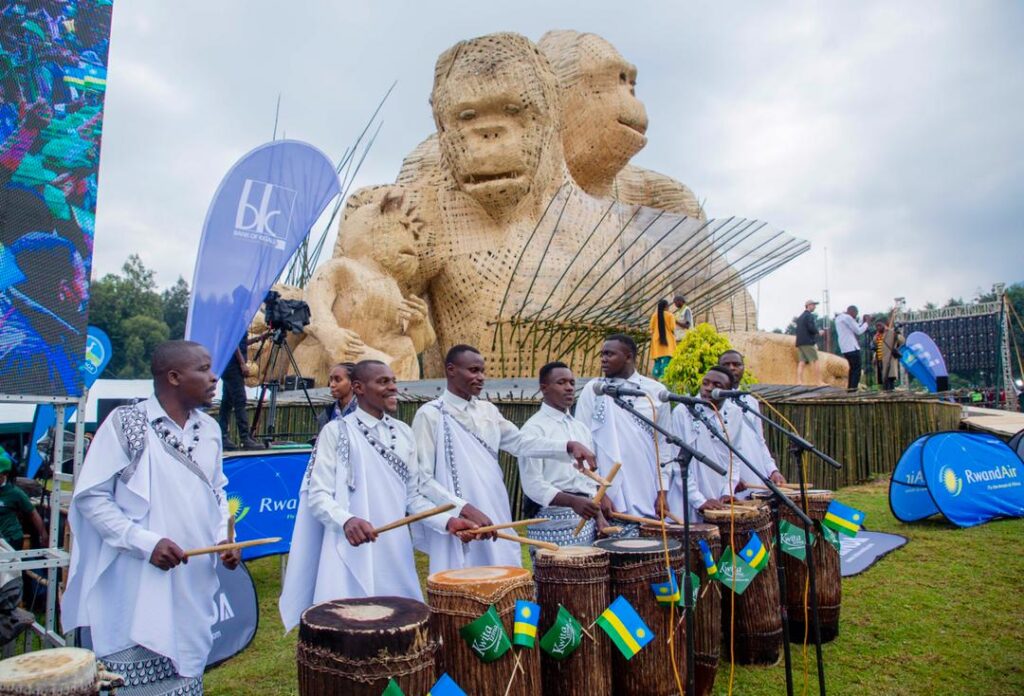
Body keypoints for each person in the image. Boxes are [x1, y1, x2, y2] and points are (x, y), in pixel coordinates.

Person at [62, 340, 240, 694]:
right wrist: (146, 543)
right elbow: (91, 499)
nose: (214, 377)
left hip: (192, 584)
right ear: (173, 377)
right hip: (135, 580)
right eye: (203, 369)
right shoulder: (126, 423)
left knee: (187, 678)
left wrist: (225, 538)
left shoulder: (210, 430)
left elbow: (217, 493)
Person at [279, 360, 477, 631]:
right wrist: (346, 521)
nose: (393, 387)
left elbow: (414, 498)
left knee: (402, 628)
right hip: (348, 549)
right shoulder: (336, 432)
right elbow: (318, 495)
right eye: (383, 381)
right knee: (348, 631)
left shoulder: (404, 433)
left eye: (393, 380)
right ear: (359, 388)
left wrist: (448, 522)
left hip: (394, 550)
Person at [412, 345, 596, 572]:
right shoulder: (430, 414)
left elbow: (520, 443)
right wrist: (463, 508)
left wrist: (567, 446)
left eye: (482, 371)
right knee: (460, 581)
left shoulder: (487, 410)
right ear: (451, 370)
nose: (481, 377)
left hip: (494, 505)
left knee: (502, 573)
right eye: (473, 370)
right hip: (457, 514)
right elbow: (423, 478)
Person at [574, 334, 675, 532]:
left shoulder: (655, 391)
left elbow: (664, 445)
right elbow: (582, 441)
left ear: (628, 357)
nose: (603, 359)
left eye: (609, 354)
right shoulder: (593, 390)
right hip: (608, 489)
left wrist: (662, 492)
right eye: (602, 354)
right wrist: (598, 492)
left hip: (646, 486)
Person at [518, 362, 613, 549]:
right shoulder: (533, 429)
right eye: (561, 382)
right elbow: (533, 485)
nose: (569, 388)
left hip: (585, 518)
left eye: (571, 382)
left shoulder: (580, 428)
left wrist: (599, 516)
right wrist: (572, 501)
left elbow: (587, 479)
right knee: (554, 576)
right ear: (544, 388)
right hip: (549, 520)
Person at [669, 366, 742, 520]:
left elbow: (734, 457)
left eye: (717, 386)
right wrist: (699, 500)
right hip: (686, 499)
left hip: (719, 499)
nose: (708, 389)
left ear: (729, 391)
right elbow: (677, 463)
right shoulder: (683, 411)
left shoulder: (735, 413)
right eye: (705, 383)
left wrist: (728, 491)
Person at [718, 351, 786, 492]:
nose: (732, 368)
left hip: (756, 474)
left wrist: (773, 470)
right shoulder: (713, 403)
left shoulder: (751, 402)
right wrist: (730, 478)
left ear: (743, 368)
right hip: (729, 479)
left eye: (737, 364)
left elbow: (759, 441)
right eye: (726, 364)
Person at [218, 333, 260, 450]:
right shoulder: (237, 320)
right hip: (233, 365)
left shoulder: (236, 322)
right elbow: (232, 343)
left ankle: (222, 435)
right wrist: (242, 363)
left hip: (228, 364)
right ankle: (244, 437)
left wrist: (257, 339)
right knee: (240, 400)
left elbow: (240, 343)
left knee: (227, 402)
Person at [0, 448, 47, 550]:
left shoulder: (15, 493)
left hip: (11, 538)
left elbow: (32, 513)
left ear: (5, 474)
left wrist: (43, 534)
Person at [314, 362, 358, 432]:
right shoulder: (327, 414)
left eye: (338, 380)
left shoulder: (364, 412)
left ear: (353, 383)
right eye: (331, 380)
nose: (332, 385)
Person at [835, 305, 870, 391]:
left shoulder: (839, 318)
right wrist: (867, 323)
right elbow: (858, 331)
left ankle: (850, 388)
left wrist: (862, 321)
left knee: (852, 369)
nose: (855, 317)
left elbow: (855, 326)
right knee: (856, 369)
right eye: (855, 315)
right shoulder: (847, 318)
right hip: (852, 347)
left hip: (844, 348)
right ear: (852, 312)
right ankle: (853, 389)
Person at [795, 299, 822, 385]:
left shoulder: (800, 317)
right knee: (815, 360)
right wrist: (818, 332)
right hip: (808, 342)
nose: (815, 307)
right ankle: (818, 382)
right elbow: (811, 328)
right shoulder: (809, 316)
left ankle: (799, 381)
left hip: (800, 342)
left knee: (802, 362)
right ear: (809, 305)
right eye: (813, 305)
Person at [649, 299, 677, 380]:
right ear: (666, 306)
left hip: (656, 343)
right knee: (666, 363)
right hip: (668, 343)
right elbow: (672, 328)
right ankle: (664, 380)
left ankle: (655, 380)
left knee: (657, 363)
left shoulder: (654, 315)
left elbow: (651, 328)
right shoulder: (670, 315)